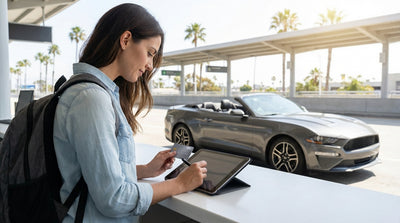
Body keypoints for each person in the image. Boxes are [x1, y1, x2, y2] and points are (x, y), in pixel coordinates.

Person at [53, 3, 207, 222]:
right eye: (150, 53)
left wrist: (145, 170)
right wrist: (179, 184)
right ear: (125, 40)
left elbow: (92, 173)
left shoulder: (90, 92)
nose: (151, 65)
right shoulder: (91, 98)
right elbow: (114, 198)